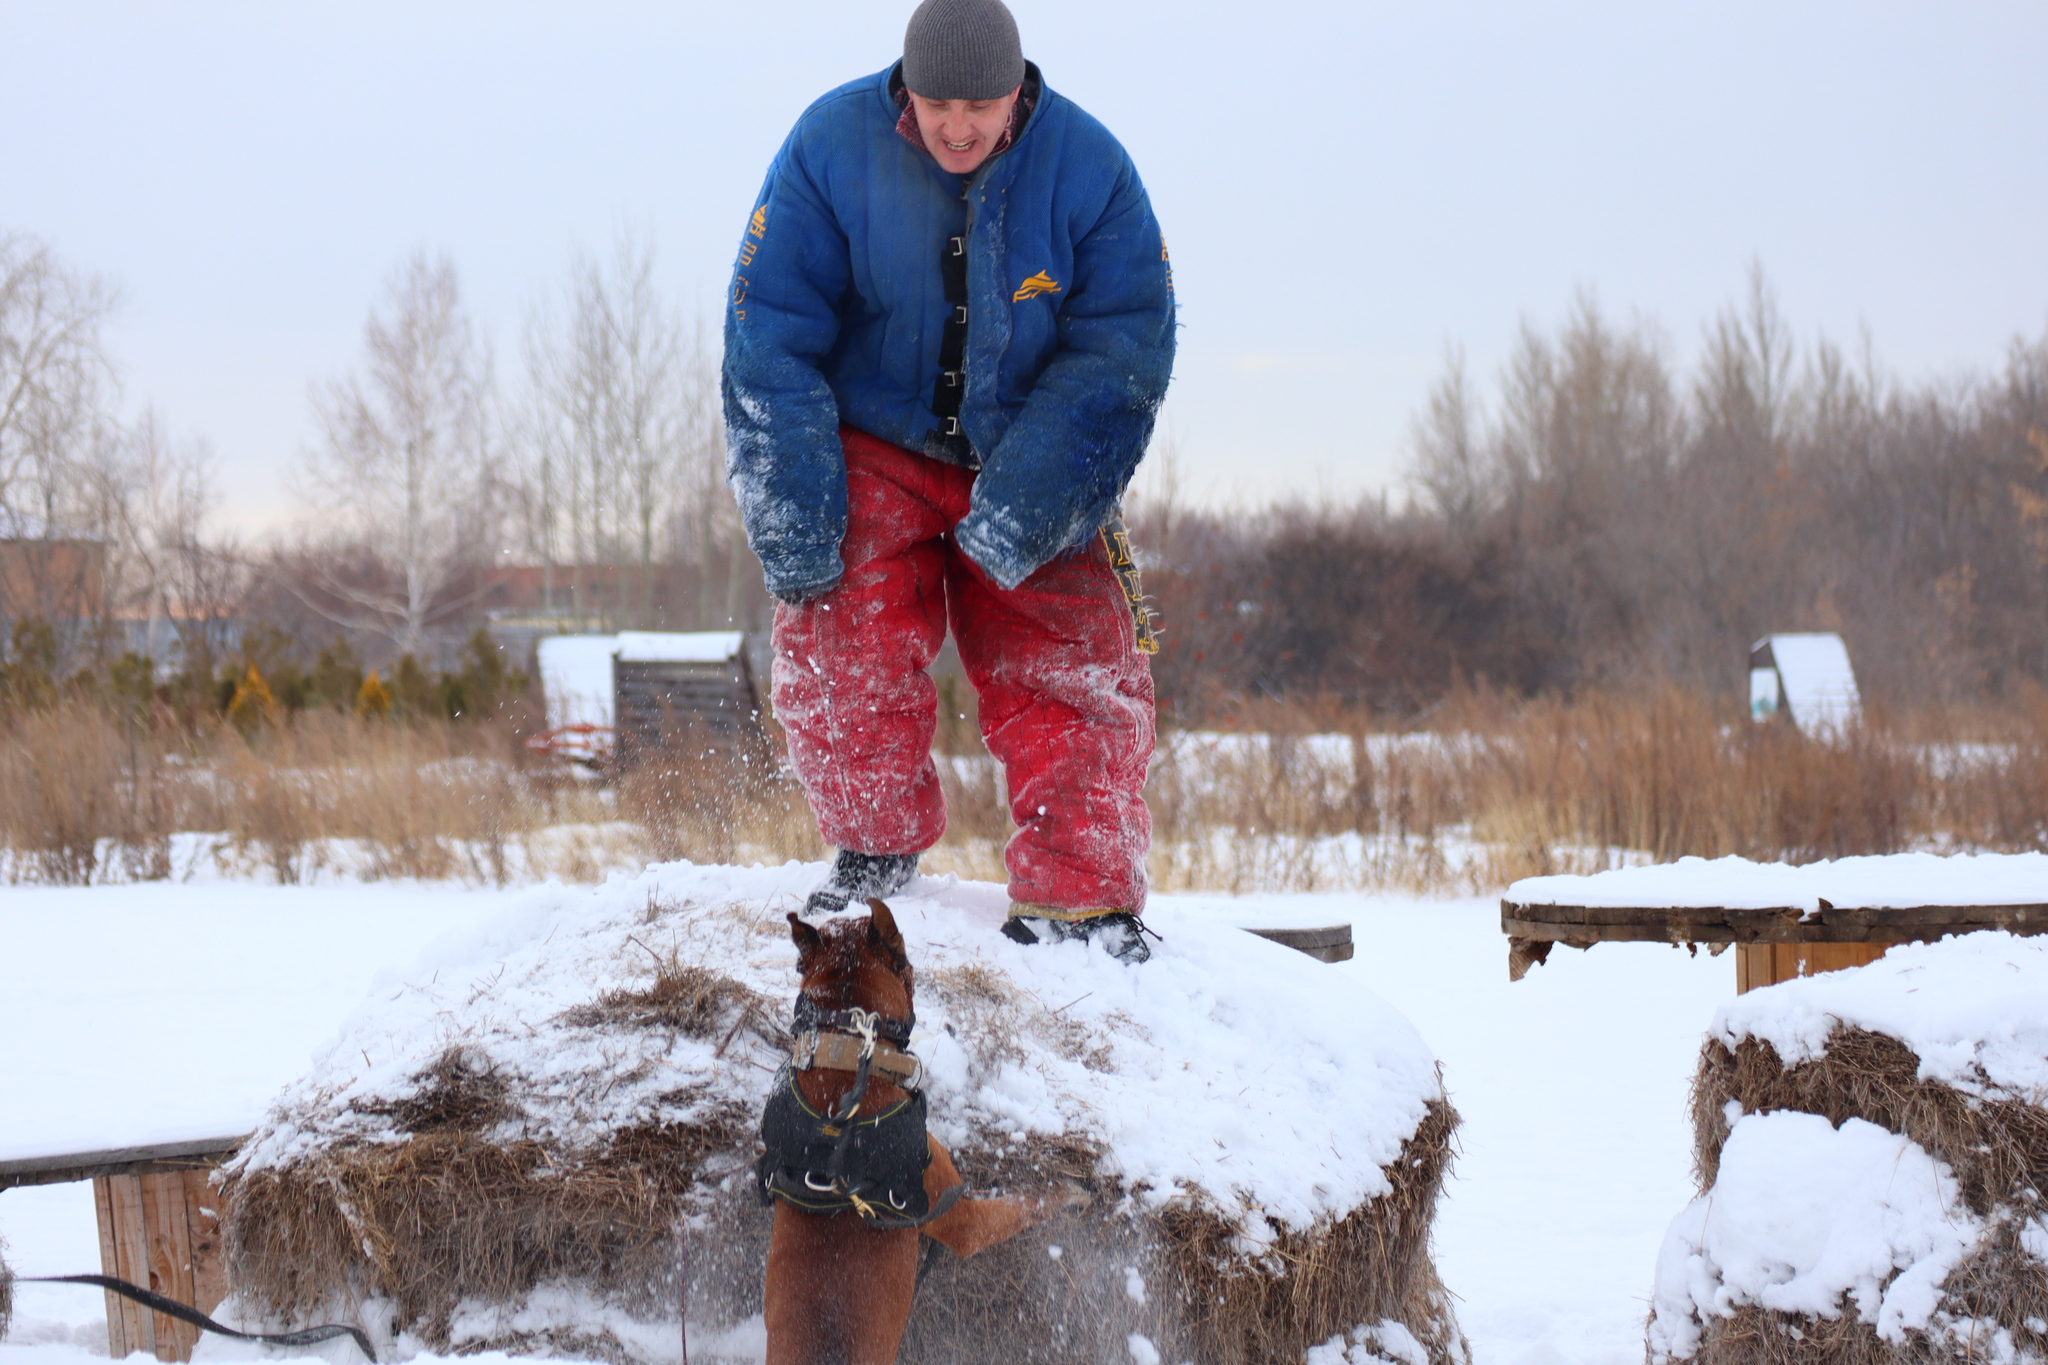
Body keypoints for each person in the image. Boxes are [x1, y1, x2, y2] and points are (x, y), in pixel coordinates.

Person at [722, 0, 1176, 962]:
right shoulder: (827, 147)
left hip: (1030, 445)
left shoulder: (1094, 171)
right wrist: (795, 512)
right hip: (874, 441)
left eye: (981, 105)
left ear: (1020, 89)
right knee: (844, 635)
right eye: (937, 106)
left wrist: (1036, 503)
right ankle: (872, 848)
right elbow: (768, 330)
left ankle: (1082, 896)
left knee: (1071, 663)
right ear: (906, 91)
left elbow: (1125, 347)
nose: (959, 127)